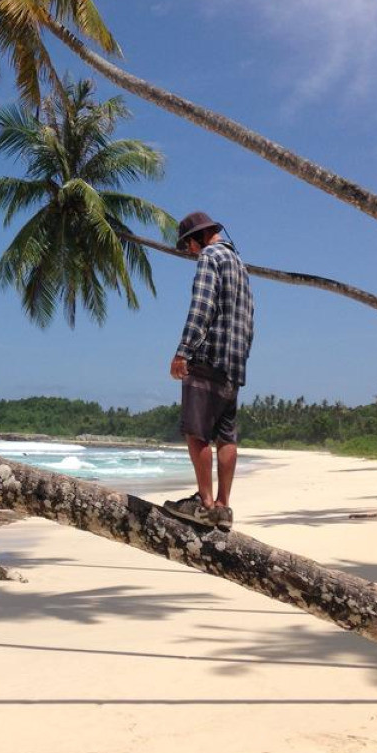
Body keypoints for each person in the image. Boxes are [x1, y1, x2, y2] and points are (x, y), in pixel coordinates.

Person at [163, 211, 255, 531]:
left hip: (207, 359)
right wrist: (239, 359)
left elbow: (201, 307)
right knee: (226, 436)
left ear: (200, 237)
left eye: (189, 244)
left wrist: (183, 351)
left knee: (197, 432)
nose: (190, 251)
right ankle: (223, 507)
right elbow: (249, 319)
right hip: (234, 365)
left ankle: (204, 504)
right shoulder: (240, 266)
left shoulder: (210, 257)